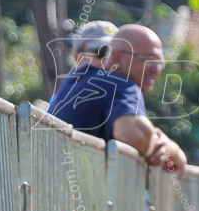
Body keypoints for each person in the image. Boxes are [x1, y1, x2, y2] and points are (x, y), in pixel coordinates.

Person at [48, 24, 186, 176]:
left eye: (160, 63)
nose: (156, 70)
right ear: (117, 57)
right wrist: (167, 148)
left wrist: (164, 143)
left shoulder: (73, 82)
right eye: (149, 60)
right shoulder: (120, 84)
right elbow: (136, 137)